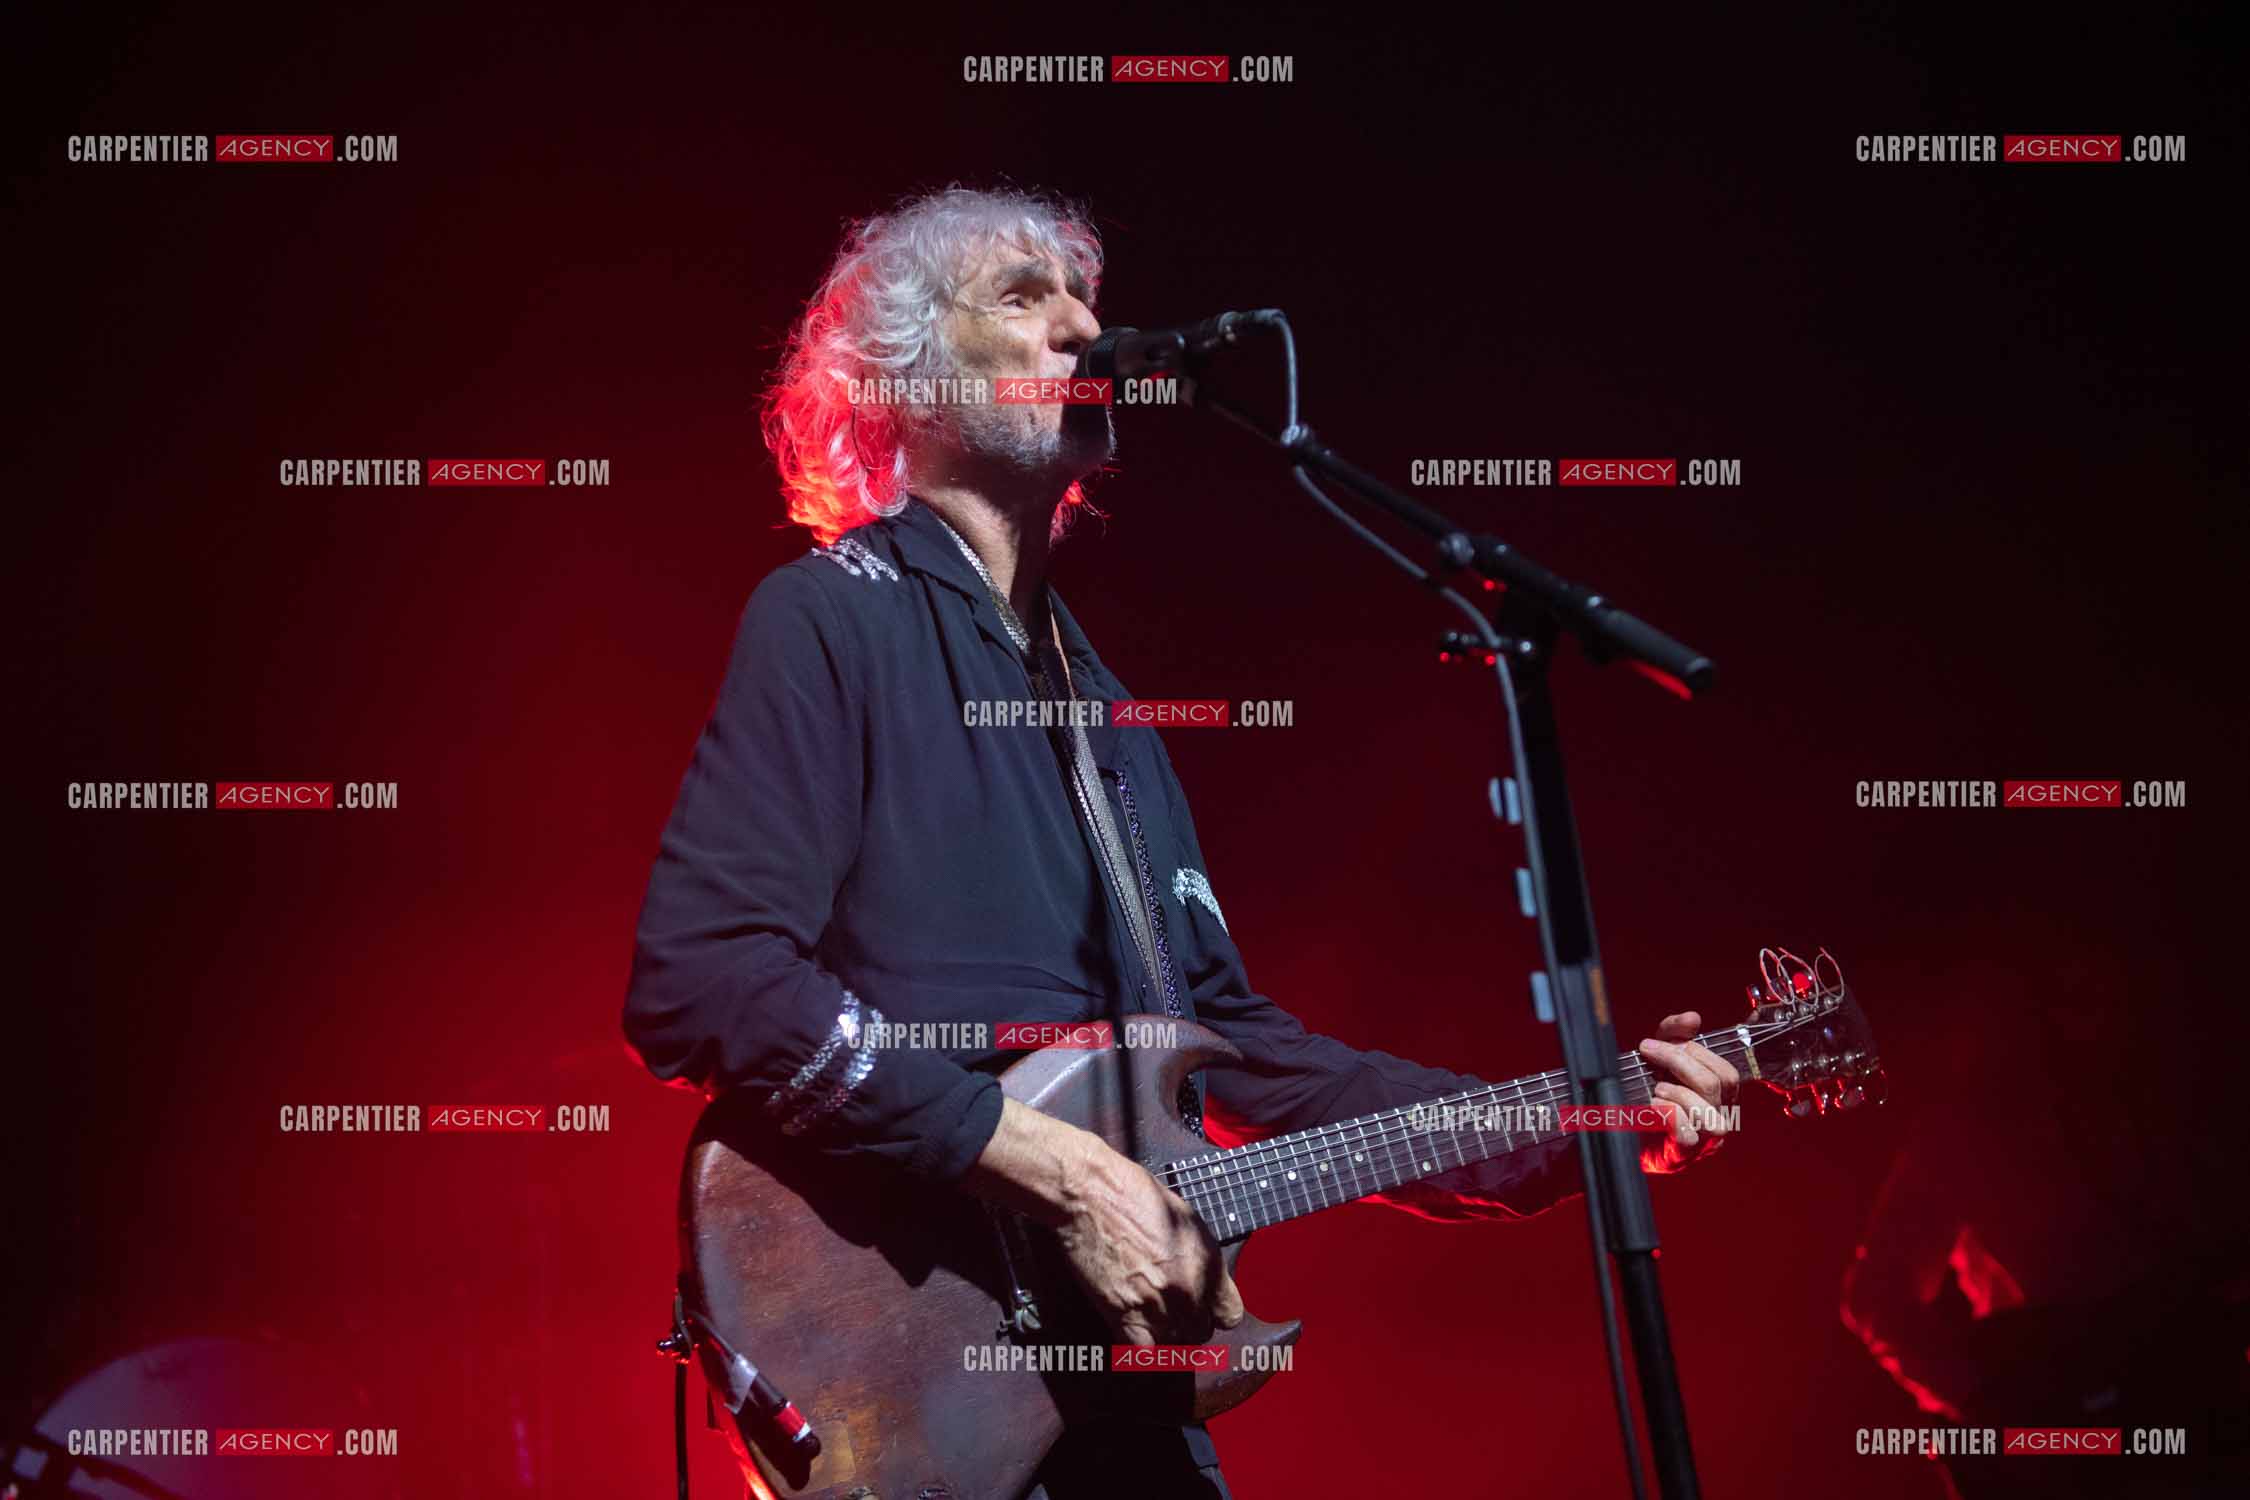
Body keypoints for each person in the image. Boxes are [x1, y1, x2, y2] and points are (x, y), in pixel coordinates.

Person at [623, 184, 1739, 1498]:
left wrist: (1575, 1121)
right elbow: (705, 981)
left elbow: (1247, 1050)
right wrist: (1055, 1170)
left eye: (1084, 296)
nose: (1081, 325)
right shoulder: (831, 621)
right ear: (905, 381)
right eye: (1021, 296)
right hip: (916, 1383)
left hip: (1123, 1410)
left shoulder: (1105, 713)